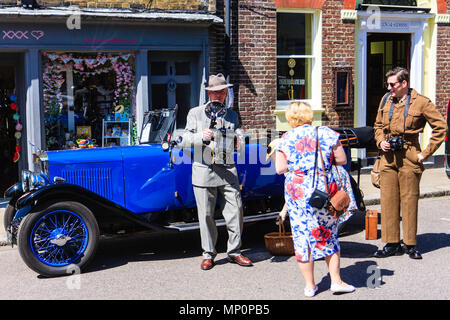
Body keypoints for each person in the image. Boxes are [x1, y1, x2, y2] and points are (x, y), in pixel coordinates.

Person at [275, 101, 355, 297]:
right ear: (310, 115)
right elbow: (342, 160)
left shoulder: (284, 138)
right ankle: (336, 281)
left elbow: (280, 169)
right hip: (323, 189)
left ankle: (310, 286)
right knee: (328, 234)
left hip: (297, 192)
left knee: (302, 237)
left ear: (290, 118)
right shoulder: (326, 133)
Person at [180, 73, 252, 270]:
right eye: (216, 92)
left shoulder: (231, 114)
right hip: (204, 170)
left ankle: (235, 251)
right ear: (209, 93)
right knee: (205, 215)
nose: (220, 95)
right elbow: (183, 140)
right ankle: (208, 254)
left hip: (228, 169)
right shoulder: (195, 113)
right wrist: (200, 136)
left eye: (223, 91)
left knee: (236, 211)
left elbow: (238, 134)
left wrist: (240, 140)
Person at [373, 67, 447, 260]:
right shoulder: (385, 100)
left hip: (409, 155)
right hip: (388, 156)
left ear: (404, 83)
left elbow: (441, 126)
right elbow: (378, 126)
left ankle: (410, 243)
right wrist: (381, 141)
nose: (389, 88)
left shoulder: (421, 102)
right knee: (388, 201)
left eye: (392, 84)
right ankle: (391, 243)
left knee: (409, 200)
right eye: (388, 84)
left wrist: (425, 153)